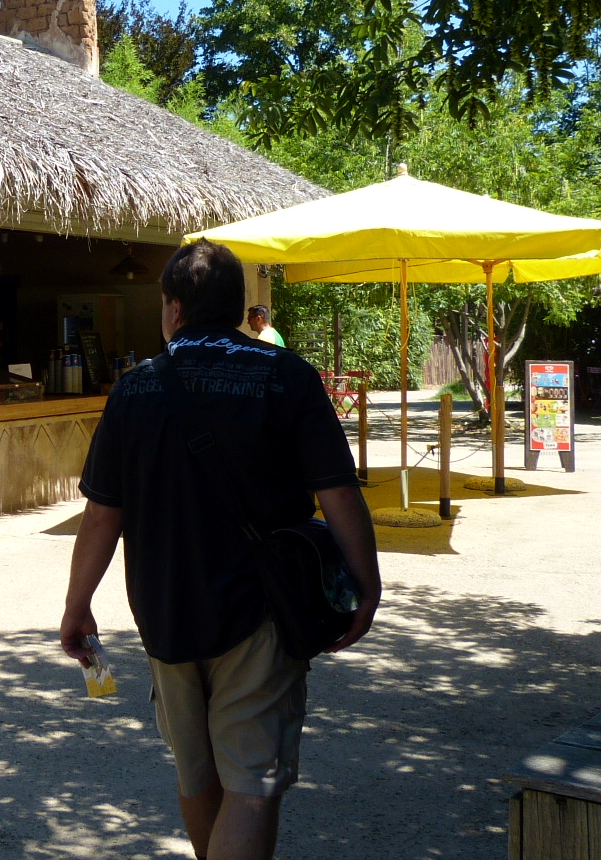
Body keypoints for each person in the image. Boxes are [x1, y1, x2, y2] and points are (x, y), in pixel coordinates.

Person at [61, 241, 381, 860]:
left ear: (174, 308)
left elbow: (102, 514)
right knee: (252, 784)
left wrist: (77, 607)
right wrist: (366, 585)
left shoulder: (135, 388)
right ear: (238, 308)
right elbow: (338, 491)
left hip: (163, 611)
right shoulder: (288, 375)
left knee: (197, 775)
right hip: (260, 608)